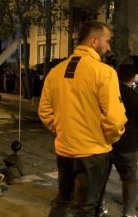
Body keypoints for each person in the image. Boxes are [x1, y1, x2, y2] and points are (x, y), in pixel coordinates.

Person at [38, 21, 127, 217]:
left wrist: (63, 130)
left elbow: (44, 111)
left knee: (63, 199)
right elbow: (115, 119)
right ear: (94, 41)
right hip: (92, 152)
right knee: (86, 207)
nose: (109, 46)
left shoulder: (56, 72)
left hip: (65, 149)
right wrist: (108, 138)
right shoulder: (104, 73)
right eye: (107, 41)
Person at [98, 64, 137, 217]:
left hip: (106, 142)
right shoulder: (133, 96)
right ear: (133, 77)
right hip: (127, 144)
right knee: (130, 179)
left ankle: (98, 206)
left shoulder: (108, 92)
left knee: (101, 178)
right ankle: (129, 212)